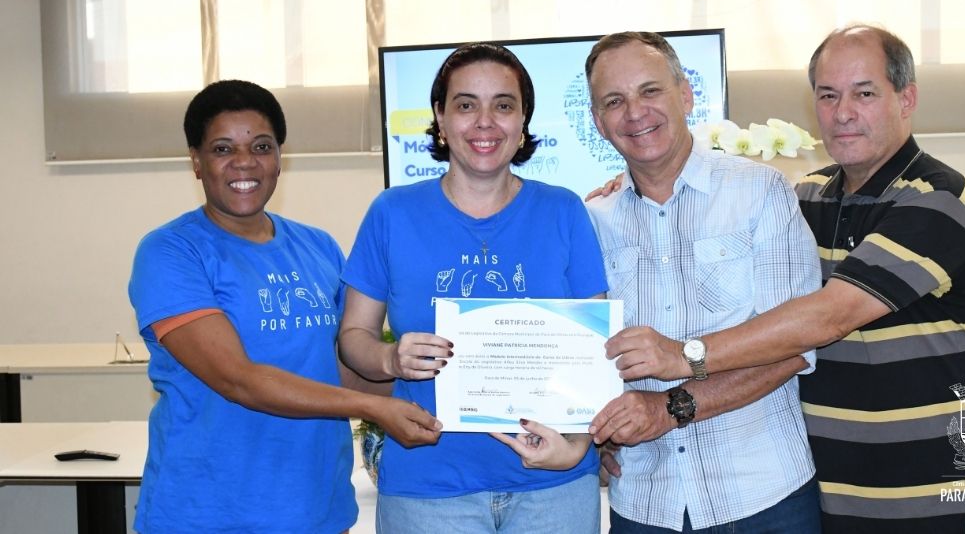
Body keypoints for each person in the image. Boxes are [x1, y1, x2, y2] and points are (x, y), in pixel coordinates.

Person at [603, 25, 965, 533]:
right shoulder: (808, 197)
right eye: (828, 95)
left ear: (906, 98)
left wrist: (683, 355)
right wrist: (633, 186)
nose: (842, 112)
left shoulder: (939, 200)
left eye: (864, 94)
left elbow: (828, 317)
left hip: (952, 494)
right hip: (848, 497)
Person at [127, 79, 442, 533]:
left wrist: (456, 391)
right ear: (196, 161)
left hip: (316, 510)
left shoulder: (318, 247)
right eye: (222, 149)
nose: (244, 162)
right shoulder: (171, 252)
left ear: (279, 157)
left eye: (261, 146)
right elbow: (239, 379)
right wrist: (376, 410)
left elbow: (342, 369)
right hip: (207, 514)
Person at [336, 43, 608, 534]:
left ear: (522, 120)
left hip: (553, 484)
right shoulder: (392, 213)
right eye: (466, 105)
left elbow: (593, 353)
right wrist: (390, 359)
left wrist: (577, 447)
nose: (485, 122)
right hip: (428, 483)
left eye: (503, 105)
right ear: (440, 117)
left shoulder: (564, 210)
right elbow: (354, 337)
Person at [584, 31, 824, 533]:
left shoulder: (760, 192)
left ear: (686, 94)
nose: (635, 112)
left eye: (650, 91)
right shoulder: (592, 220)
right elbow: (584, 358)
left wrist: (668, 408)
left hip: (762, 498)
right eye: (614, 101)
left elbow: (795, 346)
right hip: (644, 503)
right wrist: (594, 433)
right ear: (598, 122)